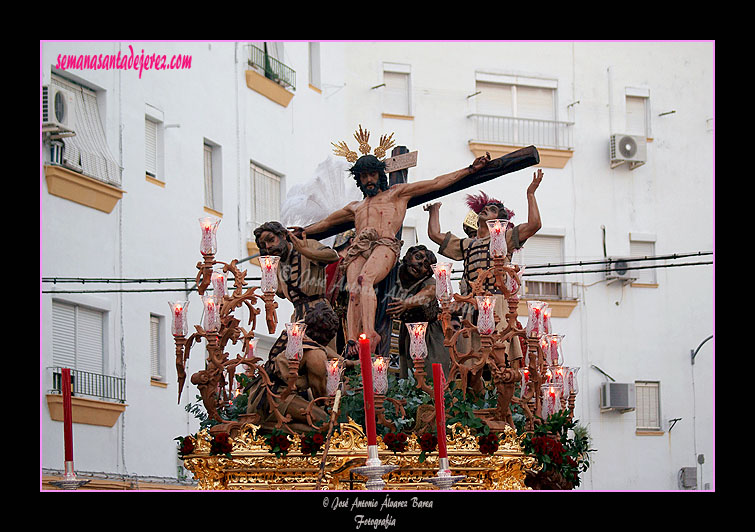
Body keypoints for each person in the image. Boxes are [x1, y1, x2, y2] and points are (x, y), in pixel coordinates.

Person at [299, 125, 492, 355]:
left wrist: (470, 169)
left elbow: (437, 183)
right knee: (352, 290)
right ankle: (353, 338)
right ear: (359, 180)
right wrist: (302, 232)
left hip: (384, 244)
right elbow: (326, 224)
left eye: (372, 174)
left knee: (364, 279)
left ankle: (370, 333)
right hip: (360, 247)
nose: (369, 180)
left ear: (380, 175)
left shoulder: (397, 193)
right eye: (364, 176)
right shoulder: (356, 207)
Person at [424, 168, 544, 379]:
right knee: (472, 361)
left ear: (500, 221)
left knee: (498, 354)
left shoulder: (504, 239)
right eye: (485, 208)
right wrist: (434, 210)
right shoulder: (468, 244)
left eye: (491, 209)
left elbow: (534, 225)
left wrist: (530, 195)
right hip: (471, 305)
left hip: (497, 301)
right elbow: (434, 234)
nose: (485, 209)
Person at [253, 220, 340, 357]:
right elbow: (281, 293)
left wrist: (305, 251)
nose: (268, 246)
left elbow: (332, 256)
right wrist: (268, 273)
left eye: (271, 240)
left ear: (283, 235)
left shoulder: (306, 245)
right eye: (264, 245)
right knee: (289, 358)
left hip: (319, 314)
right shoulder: (278, 264)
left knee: (323, 358)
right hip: (298, 317)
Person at [386, 244, 450, 379]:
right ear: (408, 256)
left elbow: (429, 293)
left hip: (428, 338)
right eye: (418, 257)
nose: (420, 264)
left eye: (426, 265)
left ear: (427, 273)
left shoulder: (429, 282)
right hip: (399, 337)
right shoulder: (392, 274)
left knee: (430, 378)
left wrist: (407, 303)